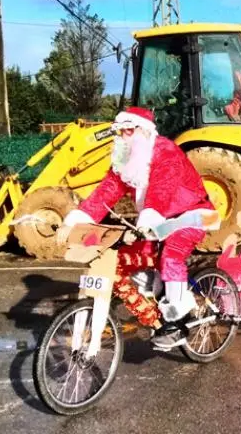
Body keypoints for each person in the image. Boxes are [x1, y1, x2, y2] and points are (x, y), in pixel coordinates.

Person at [58, 107, 221, 350]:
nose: (123, 137)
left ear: (143, 131)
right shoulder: (124, 160)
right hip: (156, 221)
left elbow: (161, 191)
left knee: (172, 254)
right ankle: (158, 291)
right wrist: (74, 221)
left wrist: (148, 220)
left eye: (128, 130)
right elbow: (105, 193)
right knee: (126, 256)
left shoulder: (165, 152)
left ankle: (179, 319)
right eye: (119, 132)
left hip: (192, 214)